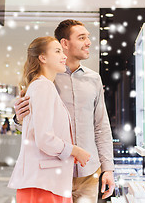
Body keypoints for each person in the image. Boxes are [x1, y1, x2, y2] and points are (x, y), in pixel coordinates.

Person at [14, 20, 115, 202]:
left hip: (89, 172)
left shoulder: (94, 79)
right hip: (55, 171)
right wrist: (18, 118)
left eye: (88, 37)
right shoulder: (46, 78)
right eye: (82, 37)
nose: (88, 43)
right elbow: (32, 123)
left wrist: (108, 168)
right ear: (64, 43)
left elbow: (101, 126)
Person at [8, 36, 91, 203]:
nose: (64, 56)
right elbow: (45, 138)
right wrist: (75, 150)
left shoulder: (42, 86)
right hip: (44, 184)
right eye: (58, 51)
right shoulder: (43, 86)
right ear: (42, 57)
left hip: (45, 182)